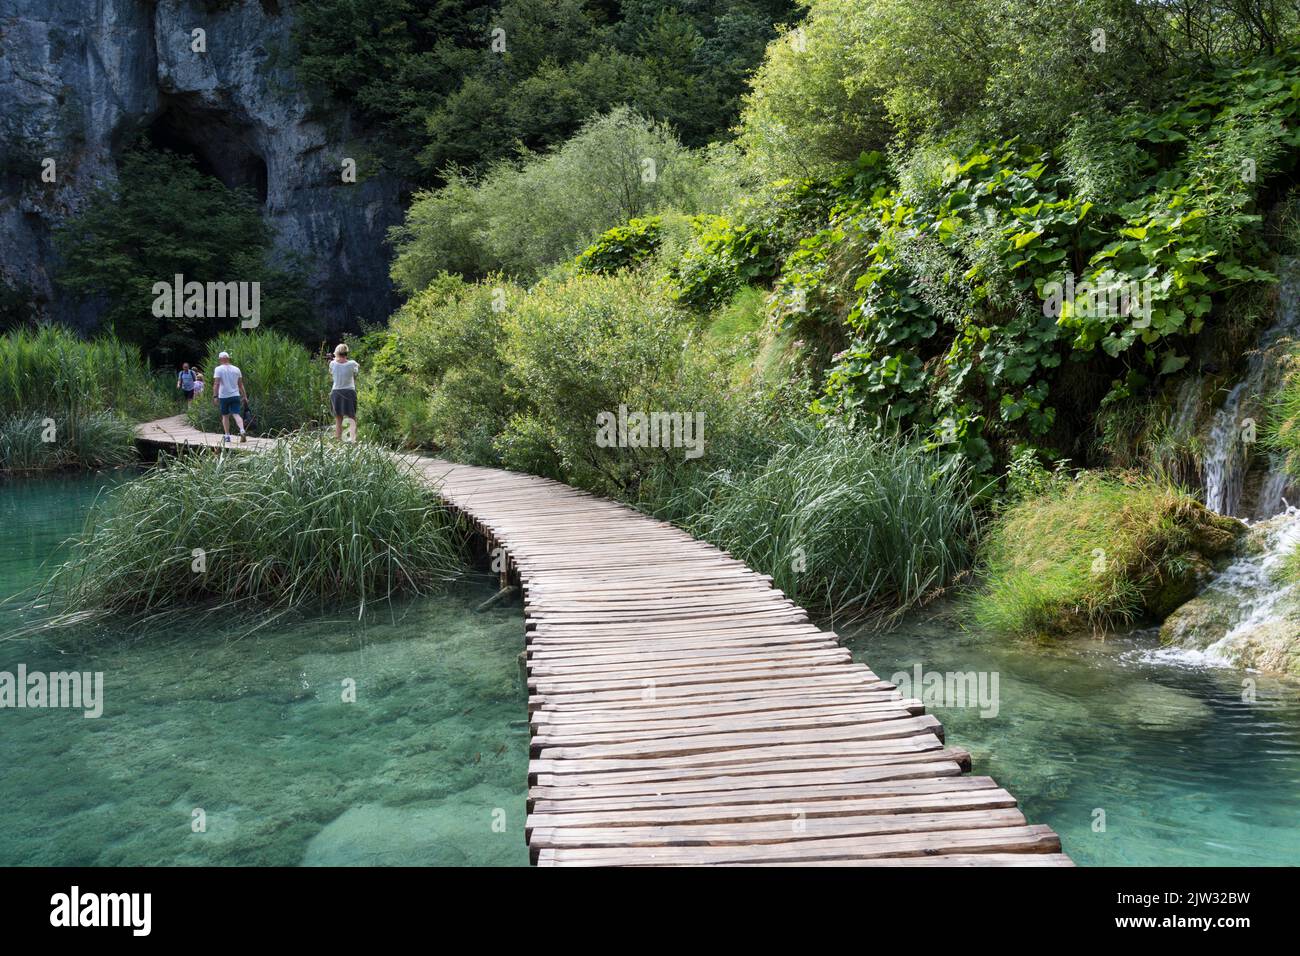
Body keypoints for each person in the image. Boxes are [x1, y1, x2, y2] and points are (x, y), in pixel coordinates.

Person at [211, 351, 248, 443]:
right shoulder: (236, 369)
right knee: (236, 414)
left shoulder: (218, 369)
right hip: (235, 395)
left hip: (224, 396)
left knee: (225, 416)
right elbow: (240, 384)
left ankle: (227, 436)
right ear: (228, 358)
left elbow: (216, 383)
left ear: (220, 359)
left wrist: (215, 396)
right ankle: (242, 430)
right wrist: (245, 396)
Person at [328, 343, 359, 440]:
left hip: (336, 392)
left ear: (337, 352)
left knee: (338, 419)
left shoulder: (332, 364)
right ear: (346, 353)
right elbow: (356, 373)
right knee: (352, 417)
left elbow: (331, 373)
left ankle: (338, 440)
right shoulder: (353, 364)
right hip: (349, 392)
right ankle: (353, 440)